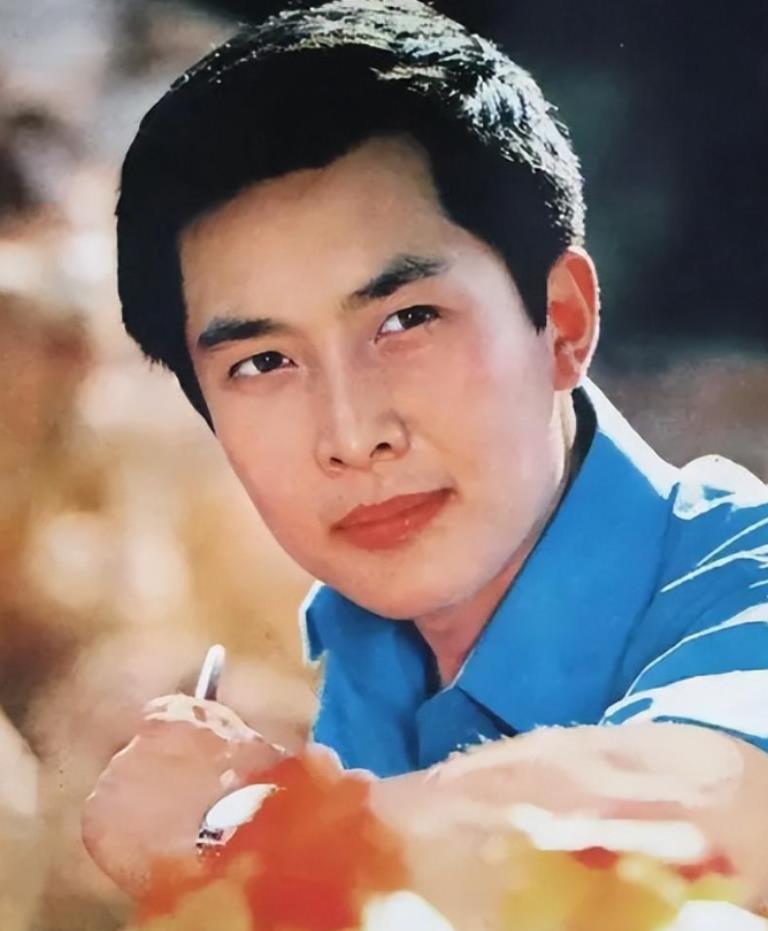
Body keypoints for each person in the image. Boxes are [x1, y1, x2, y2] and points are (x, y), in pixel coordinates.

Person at [82, 0, 768, 901]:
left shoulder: (744, 579)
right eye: (263, 362)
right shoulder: (365, 649)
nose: (352, 434)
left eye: (407, 319)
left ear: (563, 321)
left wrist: (243, 828)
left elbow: (702, 818)